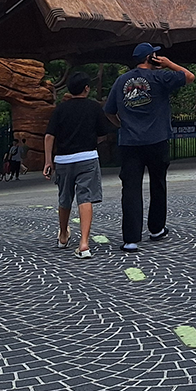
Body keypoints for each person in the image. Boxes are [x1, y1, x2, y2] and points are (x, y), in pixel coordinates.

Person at [104, 43, 194, 253]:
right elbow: (189, 76)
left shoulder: (121, 81)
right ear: (151, 57)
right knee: (158, 184)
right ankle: (156, 228)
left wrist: (122, 124)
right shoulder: (161, 77)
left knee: (131, 189)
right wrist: (168, 63)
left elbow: (109, 111)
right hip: (157, 139)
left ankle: (131, 239)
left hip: (130, 142)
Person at [44, 72, 114, 258]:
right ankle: (84, 243)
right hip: (87, 157)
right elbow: (102, 133)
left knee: (64, 198)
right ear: (86, 88)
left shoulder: (60, 109)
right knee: (85, 198)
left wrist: (48, 160)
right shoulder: (94, 107)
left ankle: (63, 235)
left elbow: (49, 136)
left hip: (63, 160)